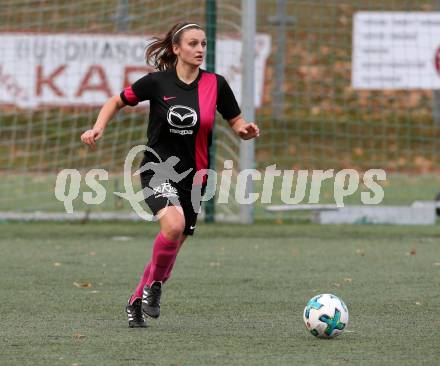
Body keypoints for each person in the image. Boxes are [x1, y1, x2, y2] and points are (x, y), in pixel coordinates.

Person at [80, 22, 260, 328]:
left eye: (203, 44)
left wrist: (244, 129)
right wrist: (98, 126)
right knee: (173, 225)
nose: (200, 49)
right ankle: (154, 289)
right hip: (157, 167)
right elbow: (116, 101)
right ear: (176, 49)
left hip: (196, 178)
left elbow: (236, 119)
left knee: (173, 242)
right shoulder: (156, 83)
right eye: (192, 44)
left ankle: (138, 299)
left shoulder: (216, 85)